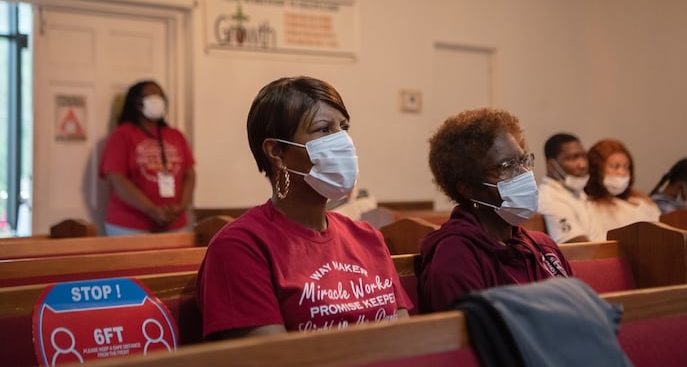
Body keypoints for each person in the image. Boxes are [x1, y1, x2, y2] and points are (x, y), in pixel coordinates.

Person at [196, 76, 411, 340]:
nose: (343, 142)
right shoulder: (240, 247)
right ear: (276, 151)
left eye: (343, 127)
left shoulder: (368, 238)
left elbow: (407, 340)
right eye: (324, 130)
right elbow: (273, 358)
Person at [418, 108, 572, 313]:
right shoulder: (456, 257)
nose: (524, 174)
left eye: (523, 160)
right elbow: (473, 338)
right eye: (506, 166)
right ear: (469, 188)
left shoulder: (543, 247)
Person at [99, 80, 196, 235]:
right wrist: (152, 210)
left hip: (175, 225)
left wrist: (181, 206)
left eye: (160, 95)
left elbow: (189, 175)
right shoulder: (122, 135)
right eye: (151, 95)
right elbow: (117, 179)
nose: (157, 99)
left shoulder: (176, 135)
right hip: (130, 226)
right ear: (136, 103)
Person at [585, 139, 660, 235]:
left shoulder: (642, 201)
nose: (622, 173)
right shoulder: (587, 205)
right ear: (596, 170)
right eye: (615, 167)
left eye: (626, 167)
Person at [538, 133, 603, 243]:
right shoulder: (551, 198)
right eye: (573, 158)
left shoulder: (574, 189)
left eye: (583, 156)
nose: (582, 165)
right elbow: (579, 248)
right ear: (551, 165)